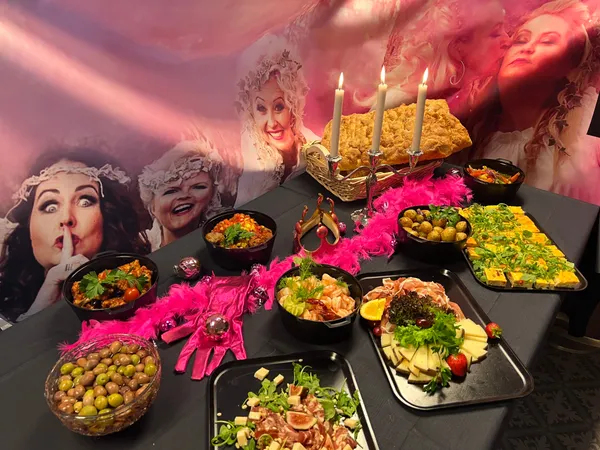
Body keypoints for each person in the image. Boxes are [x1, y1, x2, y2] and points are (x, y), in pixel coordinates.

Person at [0, 147, 150, 323]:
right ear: (29, 225)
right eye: (50, 206)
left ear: (106, 216)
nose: (66, 218)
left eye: (85, 201)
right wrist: (39, 310)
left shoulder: (141, 280)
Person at [471, 0, 599, 200]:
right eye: (521, 40)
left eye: (547, 41)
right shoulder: (473, 130)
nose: (528, 48)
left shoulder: (588, 118)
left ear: (570, 67)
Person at [356, 0, 510, 120]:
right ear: (459, 45)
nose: (508, 40)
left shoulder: (487, 97)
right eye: (495, 34)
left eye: (505, 29)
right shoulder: (398, 103)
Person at [235, 34, 319, 206]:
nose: (272, 122)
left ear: (293, 105)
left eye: (279, 107)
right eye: (261, 108)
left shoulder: (314, 146)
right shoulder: (254, 169)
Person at [138, 138, 234, 250]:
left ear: (211, 195)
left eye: (198, 187)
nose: (184, 196)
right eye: (171, 191)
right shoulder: (138, 246)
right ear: (152, 206)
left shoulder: (228, 233)